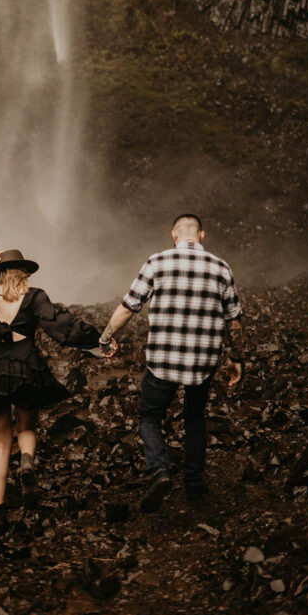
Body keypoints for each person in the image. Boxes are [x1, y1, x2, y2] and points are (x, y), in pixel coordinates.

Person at [99, 214, 243, 512]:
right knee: (194, 419)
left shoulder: (157, 262)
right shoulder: (221, 267)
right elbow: (235, 320)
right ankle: (193, 483)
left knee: (149, 417)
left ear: (174, 234)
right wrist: (236, 359)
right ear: (201, 235)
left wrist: (106, 337)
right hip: (203, 362)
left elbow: (129, 307)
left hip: (162, 360)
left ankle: (160, 471)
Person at [0, 249, 102, 532]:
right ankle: (27, 463)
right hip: (27, 367)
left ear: (0, 271)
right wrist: (96, 342)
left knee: (1, 444)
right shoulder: (35, 296)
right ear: (23, 272)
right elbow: (62, 328)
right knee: (27, 428)